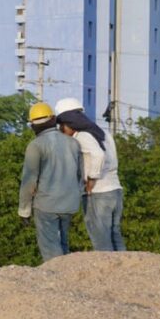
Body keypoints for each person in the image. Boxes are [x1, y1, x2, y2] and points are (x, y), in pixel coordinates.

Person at [55, 98, 126, 251]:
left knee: (101, 239)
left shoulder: (83, 136)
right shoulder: (104, 133)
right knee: (115, 235)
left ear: (70, 122)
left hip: (97, 193)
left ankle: (109, 273)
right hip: (115, 189)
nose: (61, 129)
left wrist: (91, 178)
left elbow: (98, 155)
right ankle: (124, 273)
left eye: (62, 125)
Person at [18, 102, 83, 261]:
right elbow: (80, 175)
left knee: (50, 250)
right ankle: (67, 277)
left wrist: (24, 210)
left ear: (32, 126)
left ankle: (57, 282)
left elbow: (29, 181)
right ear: (53, 119)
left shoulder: (35, 145)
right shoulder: (73, 142)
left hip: (46, 204)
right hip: (70, 204)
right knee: (63, 244)